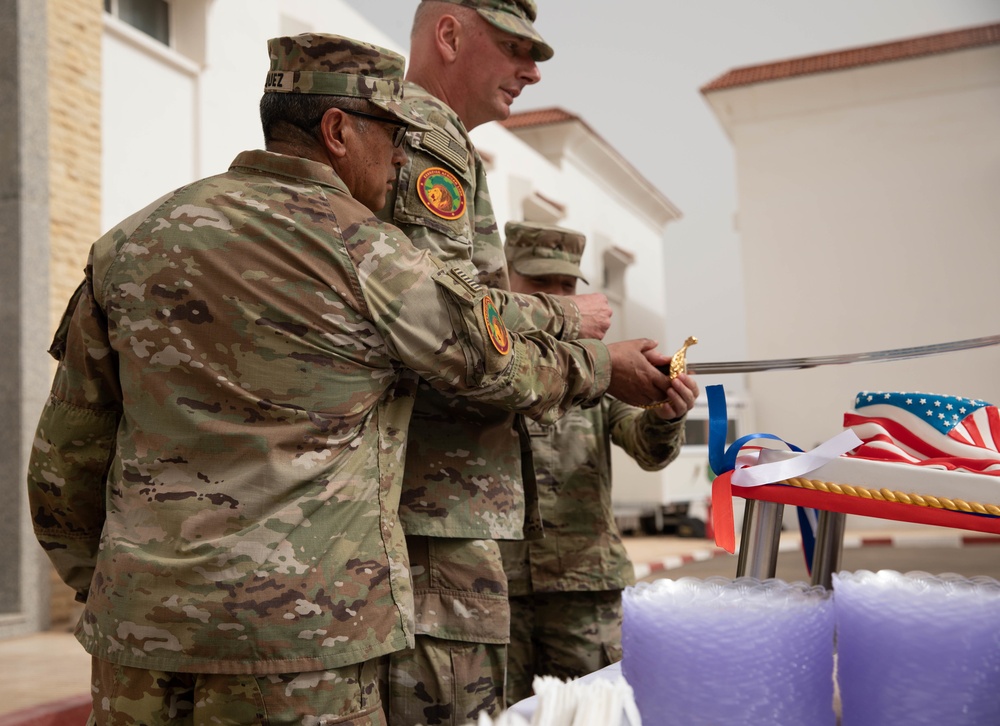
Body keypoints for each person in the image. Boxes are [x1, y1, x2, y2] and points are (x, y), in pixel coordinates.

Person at [25, 34, 670, 726]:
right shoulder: (369, 254)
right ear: (337, 131)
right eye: (393, 139)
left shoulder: (129, 243)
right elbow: (501, 366)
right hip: (301, 647)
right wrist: (604, 365)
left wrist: (114, 592)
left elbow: (62, 468)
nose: (401, 161)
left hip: (136, 646)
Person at [377, 2, 676, 724]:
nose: (532, 70)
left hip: (557, 575)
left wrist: (655, 403)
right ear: (449, 34)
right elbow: (454, 342)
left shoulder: (438, 148)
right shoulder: (420, 145)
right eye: (512, 47)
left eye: (564, 289)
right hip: (442, 550)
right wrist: (587, 348)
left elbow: (641, 442)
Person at [499, 222, 700, 705]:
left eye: (568, 287)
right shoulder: (487, 361)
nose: (558, 298)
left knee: (593, 716)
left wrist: (666, 416)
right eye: (540, 286)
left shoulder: (606, 366)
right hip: (498, 586)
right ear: (507, 282)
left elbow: (647, 448)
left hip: (585, 586)